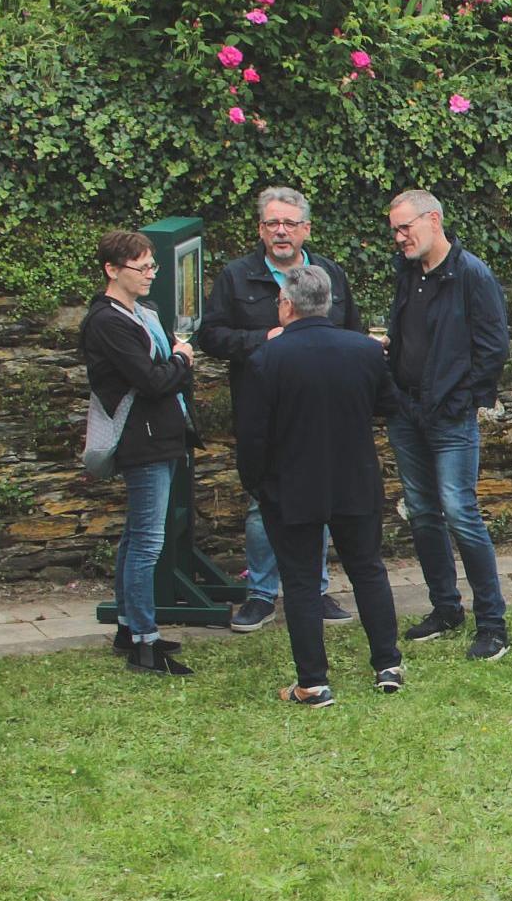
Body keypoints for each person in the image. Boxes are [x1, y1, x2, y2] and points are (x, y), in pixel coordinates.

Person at [235, 265, 407, 706]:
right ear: (327, 303)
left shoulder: (267, 358)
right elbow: (389, 404)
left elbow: (252, 434)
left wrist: (255, 482)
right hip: (354, 477)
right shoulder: (363, 352)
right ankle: (388, 664)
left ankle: (312, 682)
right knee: (368, 569)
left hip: (291, 484)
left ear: (287, 305)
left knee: (300, 580)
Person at [196, 186, 364, 635]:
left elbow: (352, 332)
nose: (281, 231)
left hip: (322, 411)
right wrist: (264, 338)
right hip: (264, 410)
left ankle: (314, 589)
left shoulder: (329, 274)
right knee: (261, 503)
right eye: (273, 223)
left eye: (290, 223)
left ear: (306, 229)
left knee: (322, 499)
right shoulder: (237, 276)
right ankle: (262, 594)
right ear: (261, 229)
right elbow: (211, 337)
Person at [382, 190, 512, 662]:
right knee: (421, 511)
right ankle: (445, 608)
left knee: (460, 511)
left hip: (450, 416)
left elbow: (494, 347)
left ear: (433, 220)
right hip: (406, 412)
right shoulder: (408, 273)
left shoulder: (471, 274)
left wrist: (461, 397)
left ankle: (493, 624)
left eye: (405, 228)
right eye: (394, 230)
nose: (399, 238)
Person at [80, 230, 198, 676]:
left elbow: (160, 374)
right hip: (140, 438)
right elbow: (151, 380)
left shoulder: (141, 312)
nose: (150, 274)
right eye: (141, 267)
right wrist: (183, 361)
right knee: (148, 541)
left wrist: (175, 367)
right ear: (112, 270)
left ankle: (130, 628)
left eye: (153, 266)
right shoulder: (107, 321)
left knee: (136, 536)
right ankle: (145, 644)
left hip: (160, 433)